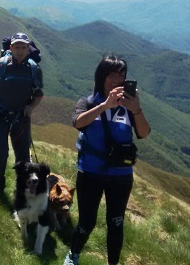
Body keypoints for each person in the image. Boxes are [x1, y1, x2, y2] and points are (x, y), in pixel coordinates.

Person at [64, 54, 150, 265]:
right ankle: (73, 255)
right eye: (112, 75)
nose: (117, 80)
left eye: (121, 76)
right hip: (90, 172)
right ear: (101, 76)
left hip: (121, 175)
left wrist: (136, 109)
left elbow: (144, 132)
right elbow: (78, 123)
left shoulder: (129, 108)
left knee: (116, 222)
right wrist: (105, 106)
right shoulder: (88, 102)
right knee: (87, 221)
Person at [0, 32, 44, 197]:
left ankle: (22, 191)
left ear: (28, 49)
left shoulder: (34, 69)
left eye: (24, 47)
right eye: (17, 47)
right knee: (0, 152)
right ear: (11, 48)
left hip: (21, 116)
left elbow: (39, 94)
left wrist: (31, 107)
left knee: (23, 156)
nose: (20, 51)